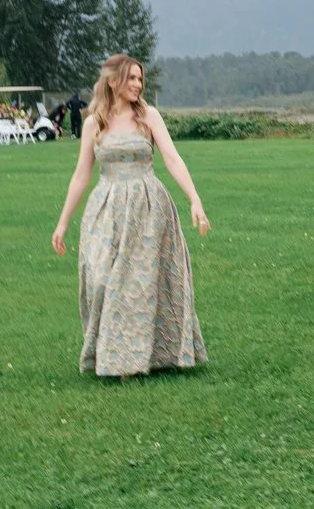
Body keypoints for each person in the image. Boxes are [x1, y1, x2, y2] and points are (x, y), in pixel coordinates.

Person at [52, 54, 210, 379]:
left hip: (147, 207)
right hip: (107, 208)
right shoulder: (94, 123)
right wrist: (63, 222)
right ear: (113, 81)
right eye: (132, 78)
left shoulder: (149, 116)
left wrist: (195, 199)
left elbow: (172, 158)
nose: (138, 84)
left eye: (140, 79)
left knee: (140, 283)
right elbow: (81, 175)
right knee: (100, 280)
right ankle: (115, 354)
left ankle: (133, 361)